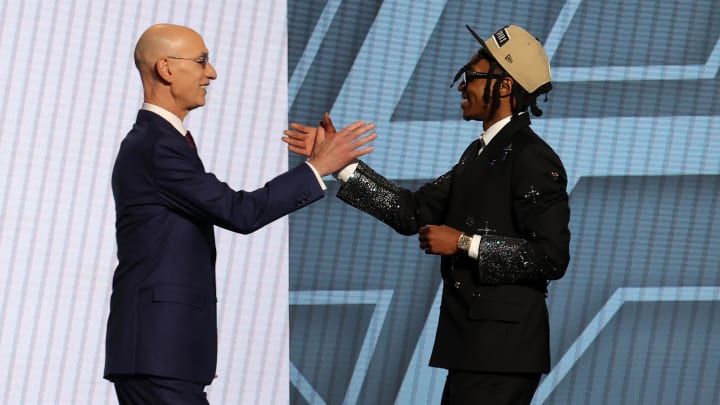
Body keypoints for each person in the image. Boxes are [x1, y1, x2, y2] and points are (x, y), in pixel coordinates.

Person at [284, 24, 570, 404]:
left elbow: (550, 257)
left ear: (504, 87)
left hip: (502, 353)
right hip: (476, 348)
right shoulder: (480, 154)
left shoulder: (531, 157)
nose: (462, 85)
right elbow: (412, 212)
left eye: (472, 75)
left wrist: (466, 243)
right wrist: (340, 165)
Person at [104, 23, 376, 404]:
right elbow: (240, 212)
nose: (211, 73)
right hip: (158, 354)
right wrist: (318, 167)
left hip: (166, 353)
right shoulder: (157, 147)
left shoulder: (157, 142)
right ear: (166, 69)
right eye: (201, 62)